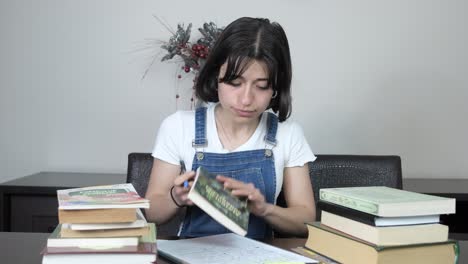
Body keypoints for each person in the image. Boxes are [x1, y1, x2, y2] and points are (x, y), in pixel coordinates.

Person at [145, 17, 316, 239]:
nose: (246, 99)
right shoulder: (178, 126)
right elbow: (152, 213)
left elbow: (306, 221)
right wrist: (176, 197)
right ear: (216, 75)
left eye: (262, 86)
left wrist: (264, 209)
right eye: (235, 83)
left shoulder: (288, 134)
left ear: (276, 86)